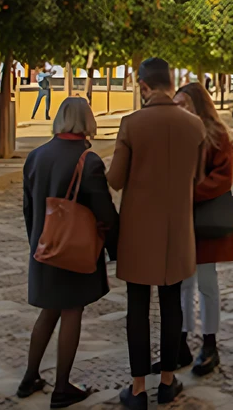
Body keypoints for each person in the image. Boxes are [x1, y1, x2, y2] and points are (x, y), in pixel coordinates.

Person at [107, 57, 206, 409]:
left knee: (137, 307)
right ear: (170, 82)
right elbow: (197, 178)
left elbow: (116, 179)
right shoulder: (194, 125)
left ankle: (137, 389)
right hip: (177, 229)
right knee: (171, 304)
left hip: (138, 230)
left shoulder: (131, 124)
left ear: (144, 86)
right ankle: (166, 382)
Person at [19, 98, 118, 408]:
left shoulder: (36, 156)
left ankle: (29, 377)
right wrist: (115, 247)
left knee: (48, 311)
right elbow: (104, 212)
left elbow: (28, 207)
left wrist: (36, 243)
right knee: (72, 310)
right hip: (74, 249)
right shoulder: (88, 160)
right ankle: (62, 388)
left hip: (44, 246)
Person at [170, 83, 233, 377]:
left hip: (206, 220)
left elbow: (223, 176)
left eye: (183, 103)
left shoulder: (217, 135)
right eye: (175, 104)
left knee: (206, 282)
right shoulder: (173, 133)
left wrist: (187, 192)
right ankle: (181, 342)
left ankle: (210, 344)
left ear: (197, 104)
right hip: (181, 219)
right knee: (183, 282)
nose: (178, 109)